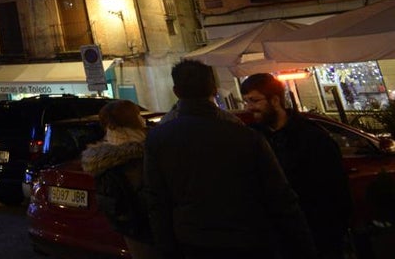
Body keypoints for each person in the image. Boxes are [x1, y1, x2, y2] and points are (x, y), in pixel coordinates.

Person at [144, 58, 316, 259]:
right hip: (247, 238)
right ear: (214, 90)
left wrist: (166, 248)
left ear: (176, 92)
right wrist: (303, 246)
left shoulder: (158, 139)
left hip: (193, 241)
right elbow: (280, 196)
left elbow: (156, 201)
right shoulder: (245, 135)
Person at [240, 72, 352, 259]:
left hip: (316, 230)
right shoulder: (251, 138)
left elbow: (335, 188)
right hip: (275, 235)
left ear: (275, 100)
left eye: (254, 101)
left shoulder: (311, 137)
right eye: (246, 101)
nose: (249, 107)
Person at [80, 99, 158, 259]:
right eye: (138, 114)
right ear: (133, 119)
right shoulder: (142, 150)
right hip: (153, 228)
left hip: (129, 229)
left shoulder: (105, 156)